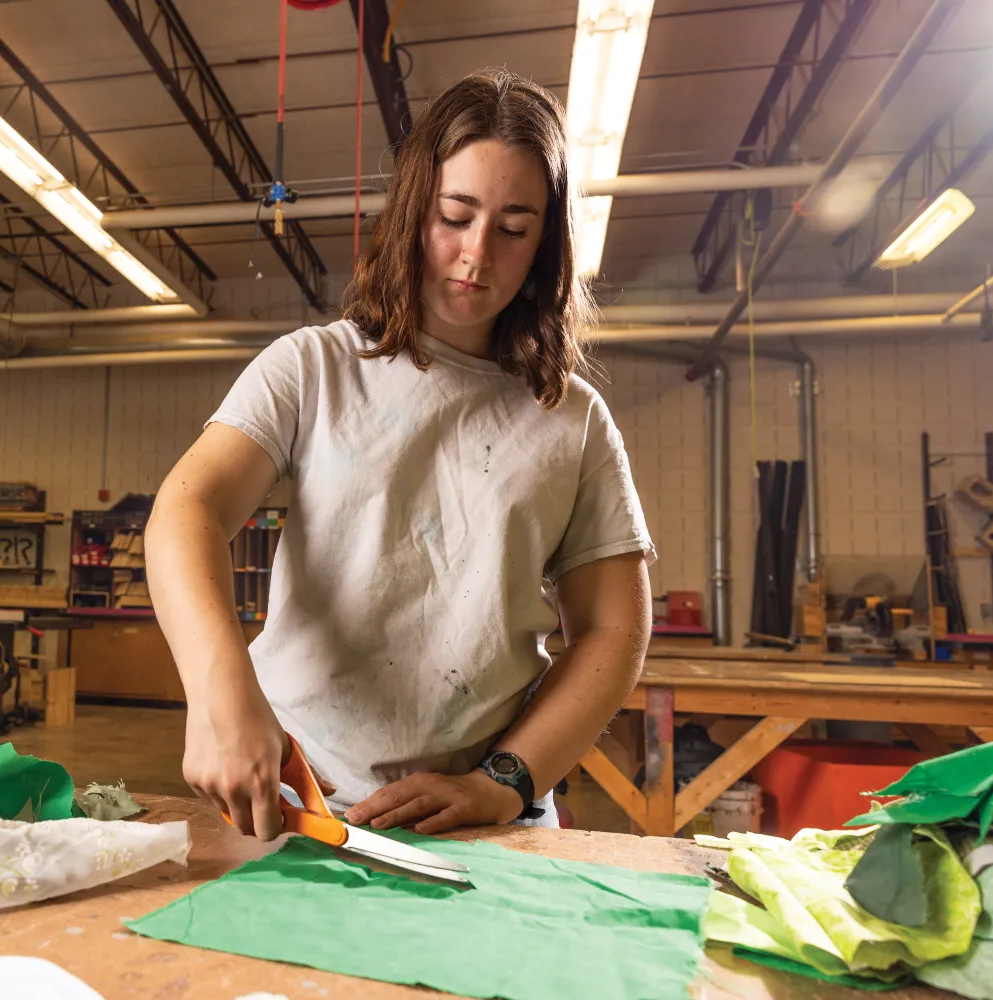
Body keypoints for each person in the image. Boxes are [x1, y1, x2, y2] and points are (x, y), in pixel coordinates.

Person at [144, 68, 654, 841]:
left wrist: (504, 783)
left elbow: (615, 631)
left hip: (484, 822)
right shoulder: (312, 368)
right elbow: (188, 510)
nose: (476, 253)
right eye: (455, 216)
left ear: (546, 243)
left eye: (514, 228)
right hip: (295, 799)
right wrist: (221, 694)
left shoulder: (572, 420)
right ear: (416, 207)